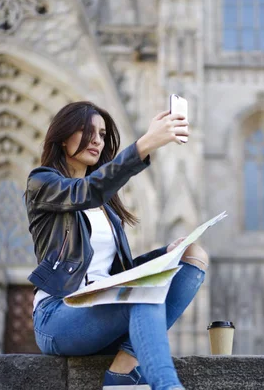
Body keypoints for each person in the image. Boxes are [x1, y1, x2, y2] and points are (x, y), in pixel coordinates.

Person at [25, 101, 209, 390]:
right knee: (142, 294)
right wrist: (145, 144)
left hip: (103, 309)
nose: (97, 140)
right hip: (58, 315)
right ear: (62, 138)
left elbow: (120, 274)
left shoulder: (108, 211)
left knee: (194, 256)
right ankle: (167, 386)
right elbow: (88, 191)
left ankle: (124, 367)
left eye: (101, 134)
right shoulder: (43, 183)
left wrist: (168, 254)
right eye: (87, 131)